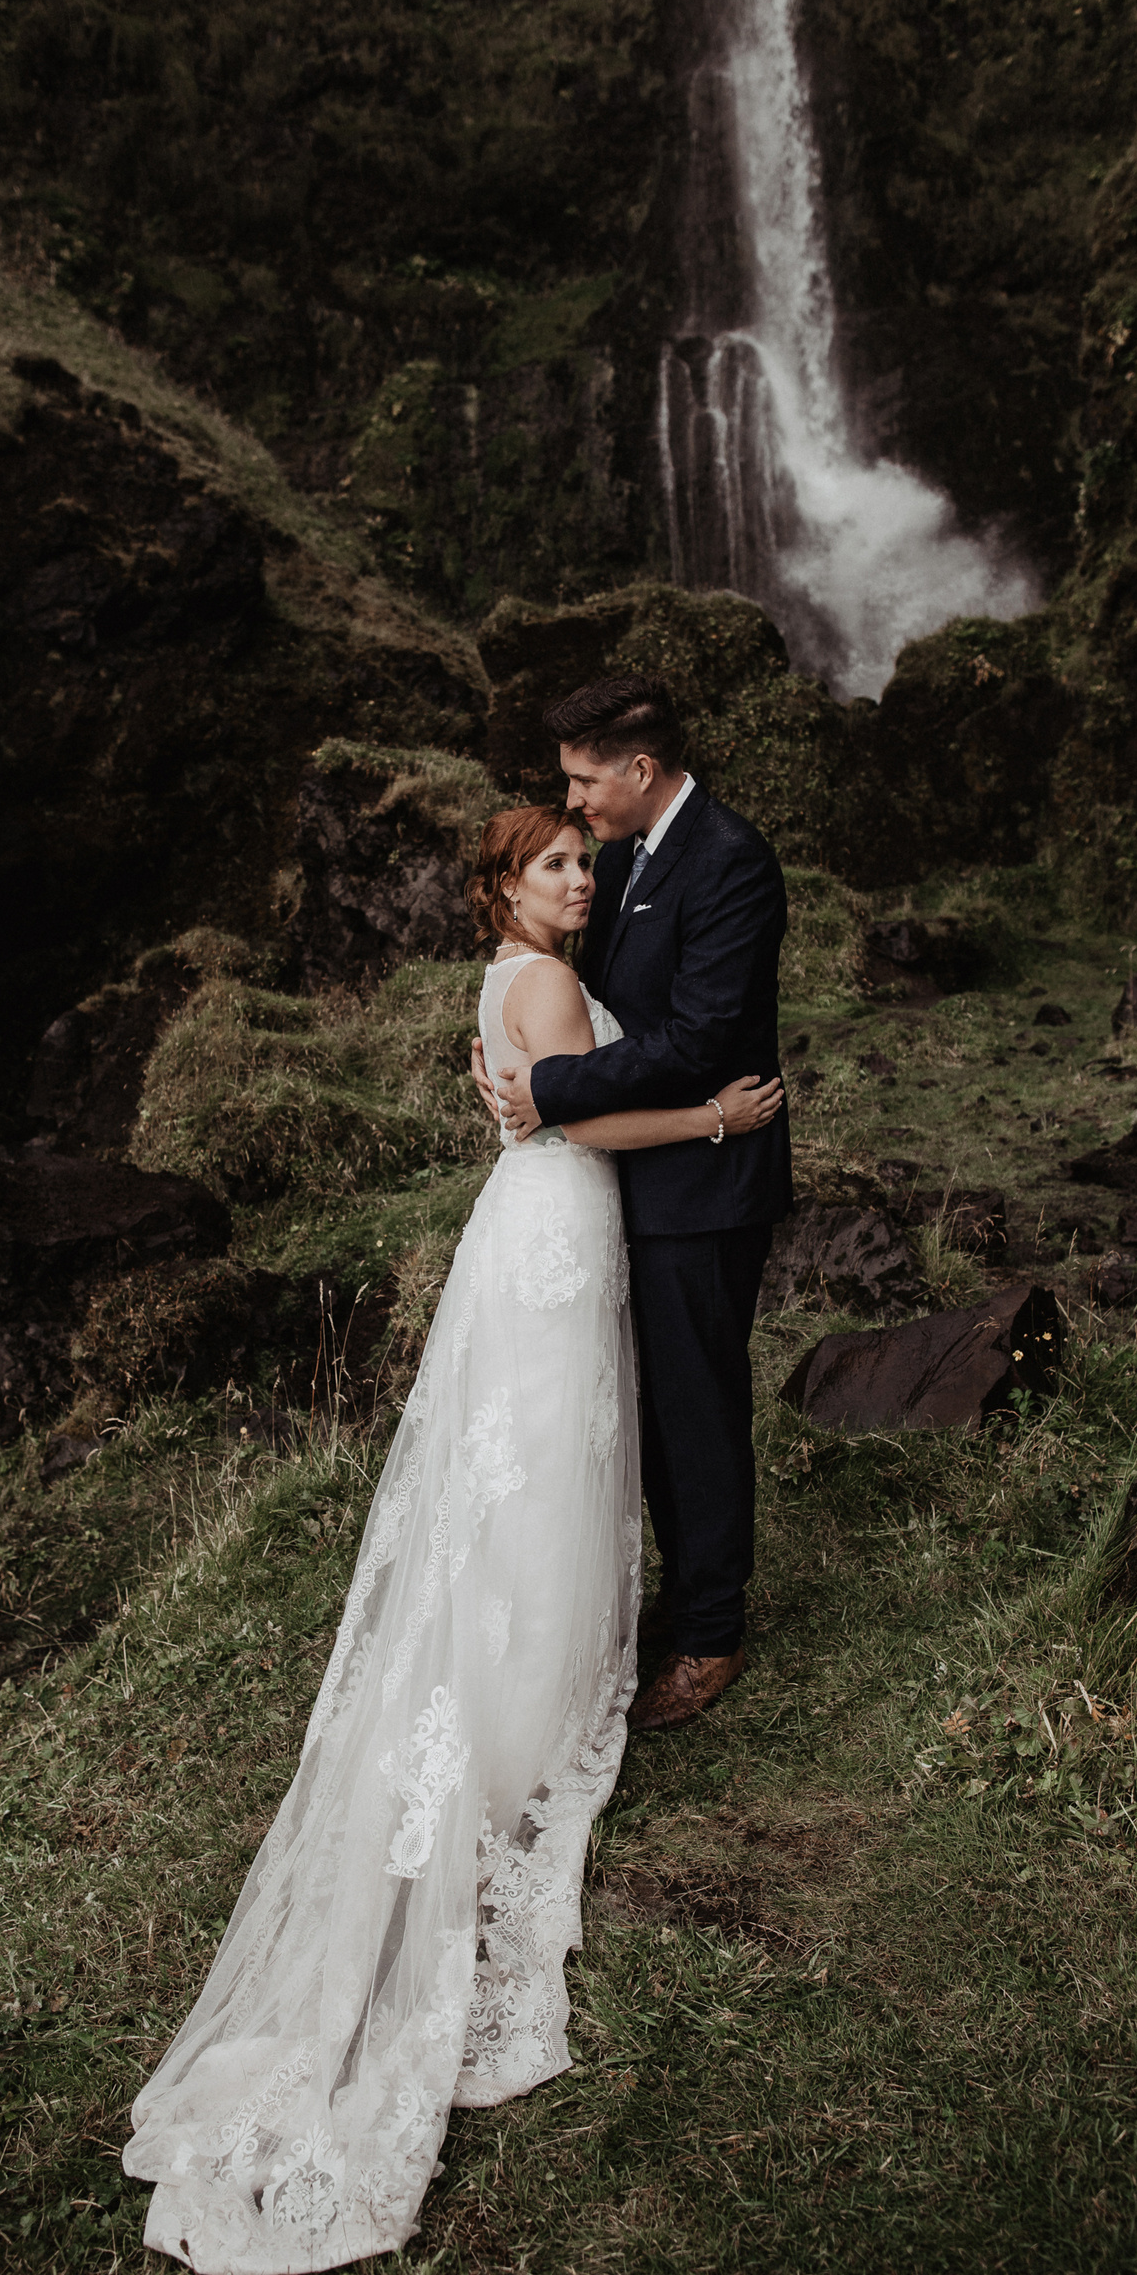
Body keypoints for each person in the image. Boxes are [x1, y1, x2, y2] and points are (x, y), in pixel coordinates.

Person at [124, 805, 782, 2275]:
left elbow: (531, 1099)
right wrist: (717, 1121)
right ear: (502, 887)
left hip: (537, 1228)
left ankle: (525, 1666)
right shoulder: (539, 978)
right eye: (552, 864)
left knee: (530, 1476)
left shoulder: (510, 973)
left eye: (579, 857)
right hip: (557, 1225)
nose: (578, 875)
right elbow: (570, 1112)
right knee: (538, 1469)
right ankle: (522, 1696)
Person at [479, 674, 791, 1731]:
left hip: (704, 1188)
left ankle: (711, 1636)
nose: (574, 800)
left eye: (583, 779)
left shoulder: (732, 861)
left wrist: (549, 1090)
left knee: (697, 1411)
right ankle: (678, 1595)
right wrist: (516, 1059)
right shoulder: (619, 861)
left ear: (641, 769)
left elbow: (701, 1040)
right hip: (623, 1181)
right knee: (645, 1410)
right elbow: (584, 1003)